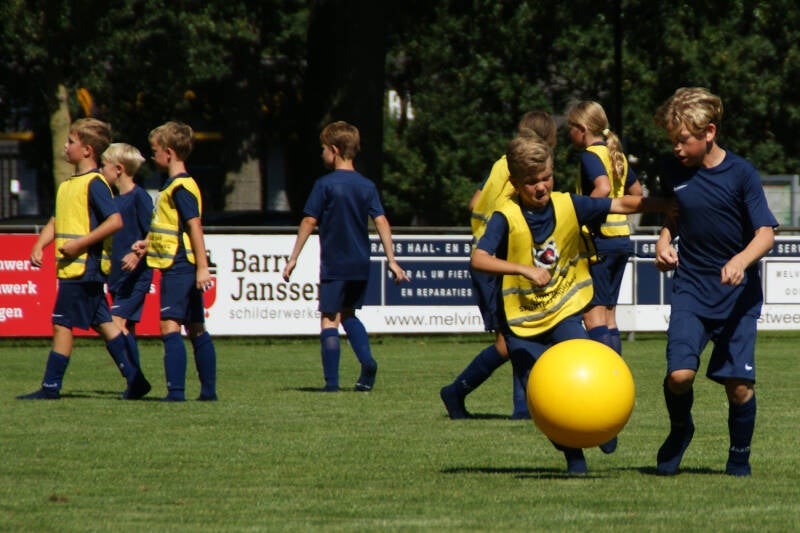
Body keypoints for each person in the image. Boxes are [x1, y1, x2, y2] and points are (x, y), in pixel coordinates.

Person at [471, 130, 669, 473]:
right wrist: (524, 270)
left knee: (587, 368)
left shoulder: (567, 204)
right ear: (516, 183)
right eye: (532, 181)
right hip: (521, 322)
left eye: (546, 177)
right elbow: (479, 258)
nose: (541, 187)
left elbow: (620, 203)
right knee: (545, 397)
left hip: (562, 311)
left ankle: (603, 425)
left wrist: (664, 204)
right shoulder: (505, 216)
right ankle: (573, 457)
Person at [652, 87, 777, 476]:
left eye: (683, 140)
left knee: (738, 387)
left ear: (709, 132)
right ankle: (680, 429)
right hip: (691, 288)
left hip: (737, 296)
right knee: (679, 376)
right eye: (672, 140)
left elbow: (767, 233)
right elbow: (675, 215)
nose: (676, 148)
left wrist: (741, 260)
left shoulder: (741, 173)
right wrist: (663, 240)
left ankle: (739, 456)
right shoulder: (673, 171)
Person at [17, 118, 150, 400]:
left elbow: (114, 221)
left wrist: (80, 245)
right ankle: (135, 379)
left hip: (84, 269)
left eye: (71, 142)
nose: (65, 147)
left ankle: (50, 387)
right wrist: (40, 244)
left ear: (87, 150)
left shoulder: (96, 183)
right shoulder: (69, 185)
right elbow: (56, 219)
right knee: (103, 322)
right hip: (73, 269)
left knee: (62, 323)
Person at [441, 111, 558, 420]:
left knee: (515, 337)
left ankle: (520, 406)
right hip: (497, 264)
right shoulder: (517, 178)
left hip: (492, 261)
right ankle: (462, 392)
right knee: (512, 339)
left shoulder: (499, 165)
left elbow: (473, 203)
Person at [282, 121, 409, 392]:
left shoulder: (325, 184)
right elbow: (382, 221)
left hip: (335, 263)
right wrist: (392, 260)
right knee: (349, 314)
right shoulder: (366, 185)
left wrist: (293, 258)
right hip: (360, 263)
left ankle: (331, 385)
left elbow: (308, 222)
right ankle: (367, 361)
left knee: (329, 318)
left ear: (335, 150)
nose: (321, 155)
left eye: (324, 150)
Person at [132, 121, 217, 402]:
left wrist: (203, 267)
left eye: (155, 150)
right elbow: (173, 226)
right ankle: (207, 393)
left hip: (179, 264)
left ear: (169, 152)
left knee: (169, 325)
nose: (152, 155)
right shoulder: (173, 185)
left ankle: (176, 393)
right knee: (195, 327)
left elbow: (194, 226)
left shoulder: (179, 187)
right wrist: (149, 242)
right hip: (180, 260)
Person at [567, 101, 642, 356]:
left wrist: (583, 219)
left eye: (571, 129)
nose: (570, 134)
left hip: (598, 242)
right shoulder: (615, 154)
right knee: (609, 318)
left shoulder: (590, 155)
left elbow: (603, 188)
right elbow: (637, 192)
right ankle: (616, 377)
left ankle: (608, 383)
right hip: (620, 239)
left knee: (593, 316)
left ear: (582, 128)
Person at [100, 142, 154, 389]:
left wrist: (137, 256)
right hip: (116, 274)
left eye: (104, 165)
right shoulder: (112, 199)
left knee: (116, 323)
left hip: (136, 274)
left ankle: (135, 379)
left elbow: (153, 233)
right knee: (127, 328)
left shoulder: (139, 197)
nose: (101, 170)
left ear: (118, 169)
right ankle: (136, 380)